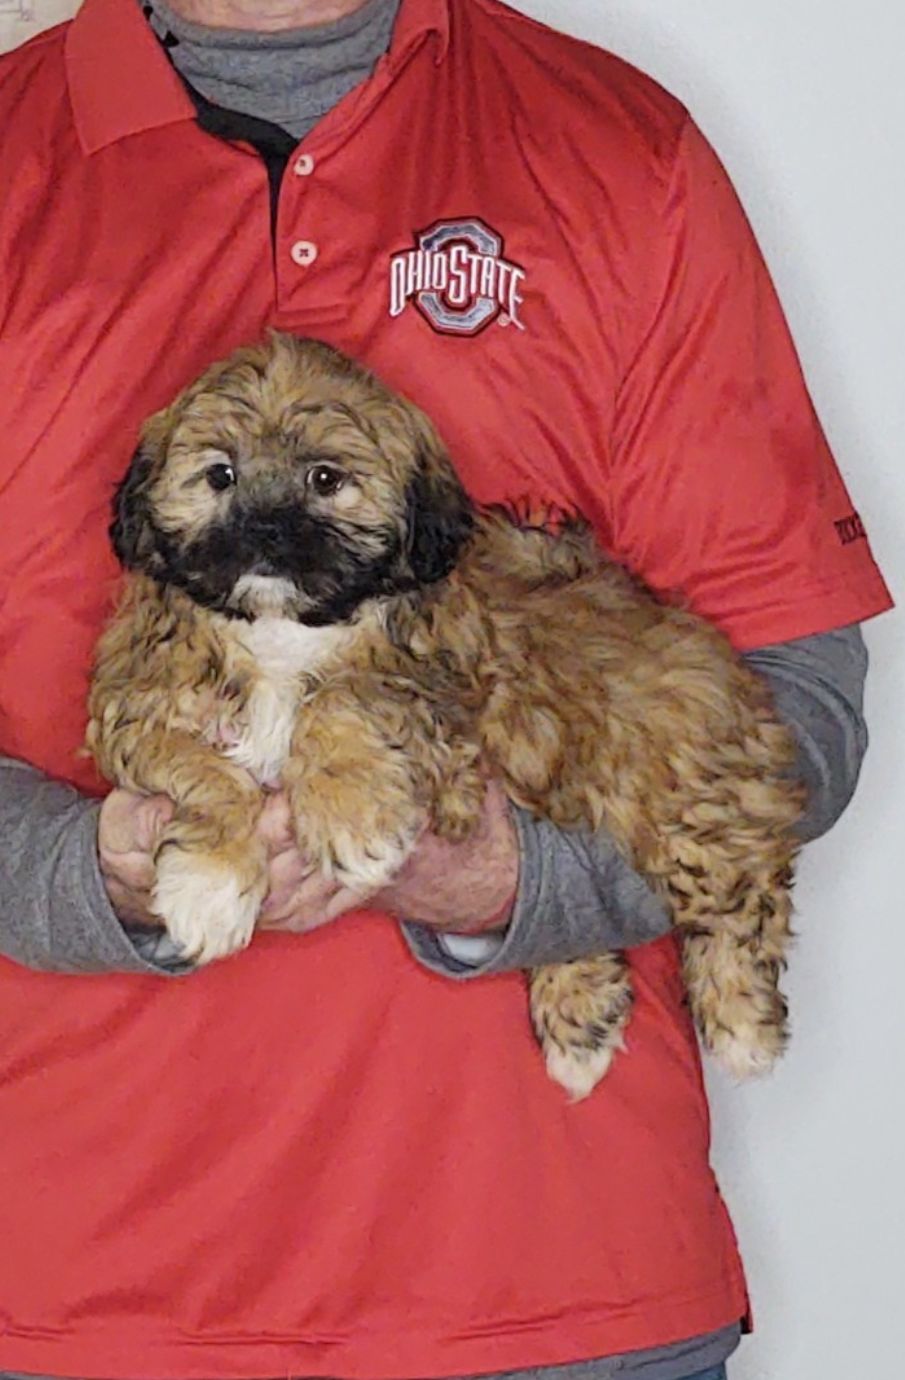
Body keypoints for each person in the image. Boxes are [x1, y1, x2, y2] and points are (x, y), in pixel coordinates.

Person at [0, 2, 892, 1380]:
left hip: (555, 1282)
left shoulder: (614, 145)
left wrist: (524, 884)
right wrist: (80, 876)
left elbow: (794, 701)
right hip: (78, 1300)